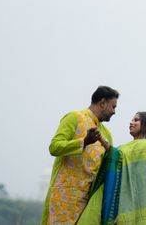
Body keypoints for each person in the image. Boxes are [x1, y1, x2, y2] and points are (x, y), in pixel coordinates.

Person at [41, 86, 119, 225]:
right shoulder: (74, 118)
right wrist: (84, 142)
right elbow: (54, 147)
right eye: (113, 106)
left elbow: (110, 165)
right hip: (64, 198)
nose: (114, 111)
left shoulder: (106, 134)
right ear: (102, 103)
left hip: (89, 203)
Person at [82, 111, 146, 224]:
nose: (131, 122)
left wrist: (101, 140)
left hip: (136, 205)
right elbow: (116, 157)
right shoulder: (124, 147)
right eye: (131, 120)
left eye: (136, 120)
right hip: (119, 202)